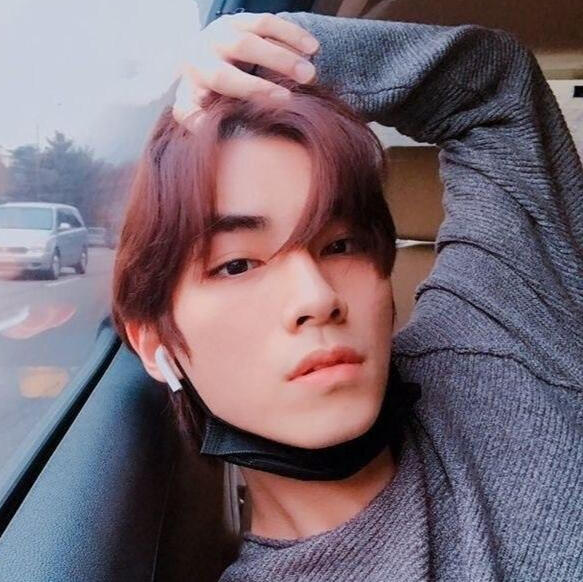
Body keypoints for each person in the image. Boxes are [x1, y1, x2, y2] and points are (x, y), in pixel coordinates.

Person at [111, 10, 583, 582]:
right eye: (237, 265)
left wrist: (274, 54)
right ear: (154, 342)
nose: (316, 297)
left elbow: (496, 89)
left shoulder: (493, 338)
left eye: (340, 246)